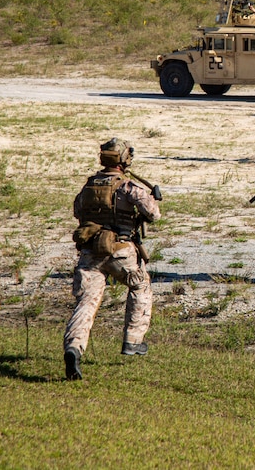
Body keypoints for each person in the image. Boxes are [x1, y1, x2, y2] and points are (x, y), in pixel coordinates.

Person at [63, 138, 161, 381]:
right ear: (124, 159)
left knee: (86, 301)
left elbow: (78, 211)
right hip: (121, 251)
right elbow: (153, 215)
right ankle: (133, 341)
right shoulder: (128, 187)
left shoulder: (88, 186)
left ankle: (74, 347)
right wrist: (154, 197)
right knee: (140, 285)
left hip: (90, 252)